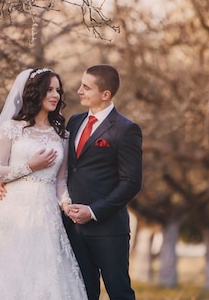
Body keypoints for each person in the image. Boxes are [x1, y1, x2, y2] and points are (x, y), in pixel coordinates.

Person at [0, 68, 88, 300]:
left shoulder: (61, 135)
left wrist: (66, 204)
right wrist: (29, 166)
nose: (55, 95)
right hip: (12, 213)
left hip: (47, 217)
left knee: (46, 276)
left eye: (58, 90)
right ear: (34, 93)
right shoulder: (12, 128)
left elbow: (60, 181)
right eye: (49, 89)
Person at [63, 64, 143, 300]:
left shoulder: (126, 129)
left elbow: (131, 182)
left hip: (108, 229)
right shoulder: (75, 122)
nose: (79, 91)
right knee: (83, 293)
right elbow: (67, 169)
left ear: (105, 94)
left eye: (86, 87)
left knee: (119, 292)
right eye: (80, 85)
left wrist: (93, 211)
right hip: (73, 228)